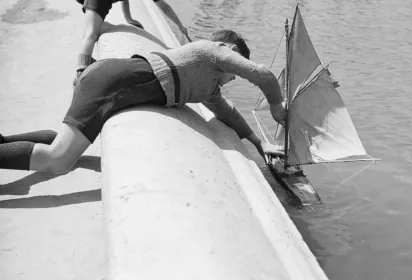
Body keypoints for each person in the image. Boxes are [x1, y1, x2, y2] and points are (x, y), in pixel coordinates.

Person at [0, 30, 287, 174]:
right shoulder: (215, 52)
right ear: (233, 51)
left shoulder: (208, 88)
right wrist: (277, 107)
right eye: (237, 66)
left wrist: (259, 143)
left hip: (114, 82)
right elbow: (262, 74)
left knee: (57, 145)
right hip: (112, 83)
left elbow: (228, 113)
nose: (236, 76)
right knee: (58, 161)